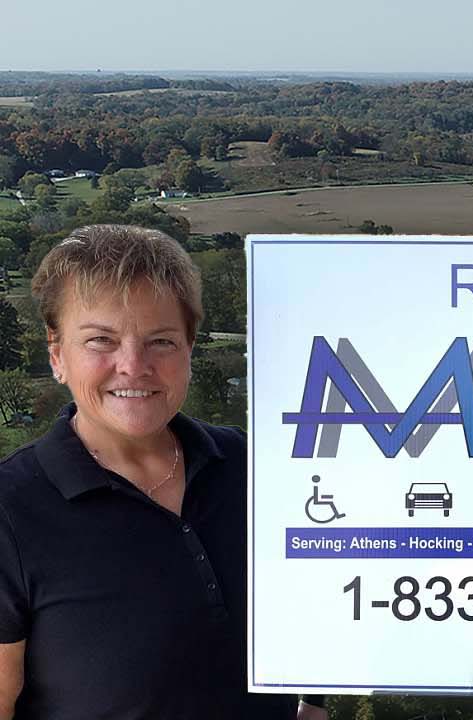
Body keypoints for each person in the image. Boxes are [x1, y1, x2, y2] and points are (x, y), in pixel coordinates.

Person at [0, 225, 323, 718]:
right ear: (56, 353)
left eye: (161, 342)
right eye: (100, 341)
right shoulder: (10, 510)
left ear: (190, 347)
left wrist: (313, 703)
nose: (133, 366)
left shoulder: (252, 468)